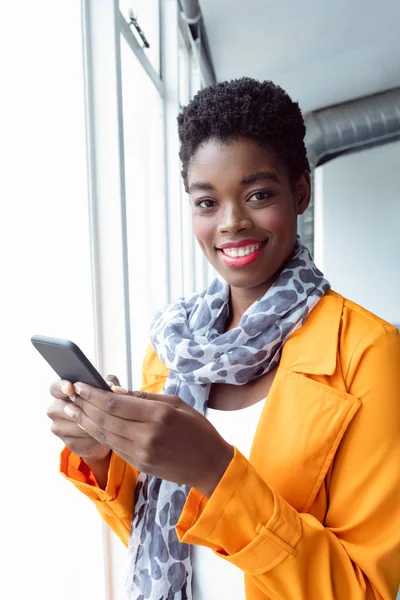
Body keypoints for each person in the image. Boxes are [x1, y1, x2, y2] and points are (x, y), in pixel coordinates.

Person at [47, 78, 400, 600]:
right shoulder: (174, 348)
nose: (232, 223)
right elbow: (164, 544)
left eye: (258, 194)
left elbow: (362, 589)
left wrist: (216, 473)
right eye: (207, 202)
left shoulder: (370, 353)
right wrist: (103, 455)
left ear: (300, 191)